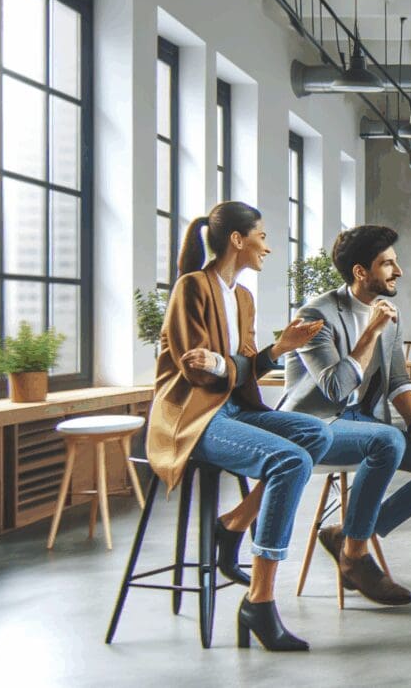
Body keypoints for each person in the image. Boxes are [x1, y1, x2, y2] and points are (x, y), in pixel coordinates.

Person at [146, 201, 333, 652]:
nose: (267, 247)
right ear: (237, 240)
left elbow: (239, 369)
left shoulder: (243, 298)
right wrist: (227, 364)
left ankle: (232, 524)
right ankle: (260, 601)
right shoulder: (191, 288)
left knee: (316, 434)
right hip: (194, 415)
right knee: (289, 460)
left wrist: (278, 349)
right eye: (262, 237)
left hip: (233, 408)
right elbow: (196, 373)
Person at [280, 225, 411, 605]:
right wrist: (372, 330)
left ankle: (347, 536)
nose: (399, 271)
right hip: (313, 426)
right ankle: (358, 558)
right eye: (388, 264)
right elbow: (336, 388)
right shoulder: (316, 314)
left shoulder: (389, 314)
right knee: (387, 440)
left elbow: (397, 380)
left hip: (361, 423)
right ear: (361, 272)